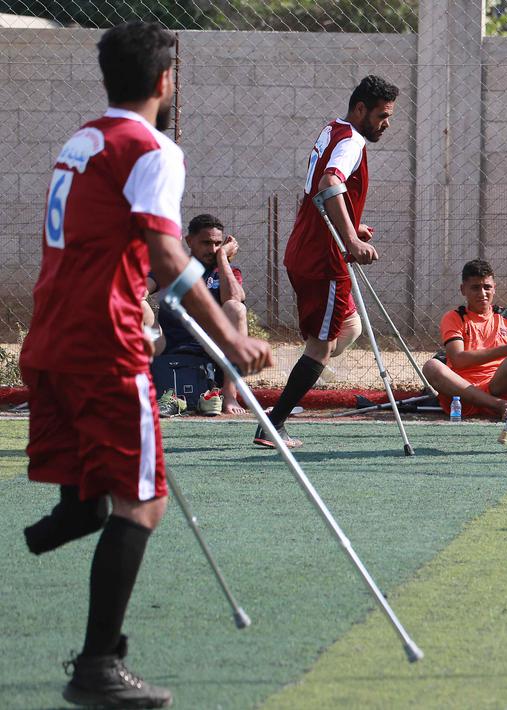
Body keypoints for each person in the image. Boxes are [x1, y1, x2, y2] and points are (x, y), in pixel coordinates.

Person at [19, 21, 270, 708]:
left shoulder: (81, 140)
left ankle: (67, 518)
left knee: (95, 496)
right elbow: (164, 251)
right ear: (166, 81)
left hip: (49, 341)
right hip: (104, 346)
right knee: (145, 501)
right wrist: (230, 337)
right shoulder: (152, 148)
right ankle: (98, 665)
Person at [257, 75, 398, 448]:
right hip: (323, 258)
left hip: (305, 246)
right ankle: (274, 425)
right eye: (382, 115)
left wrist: (352, 224)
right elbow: (329, 182)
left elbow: (324, 187)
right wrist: (349, 238)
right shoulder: (352, 141)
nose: (386, 124)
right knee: (321, 347)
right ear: (360, 109)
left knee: (348, 327)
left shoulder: (333, 130)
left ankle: (304, 372)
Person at [149, 214, 248, 415]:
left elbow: (236, 298)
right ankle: (135, 389)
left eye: (217, 244)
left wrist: (223, 259)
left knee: (235, 308)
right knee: (138, 306)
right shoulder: (170, 267)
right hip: (166, 344)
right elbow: (138, 291)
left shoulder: (227, 270)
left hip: (211, 348)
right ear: (189, 241)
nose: (212, 249)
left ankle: (229, 395)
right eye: (206, 243)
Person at [422, 259, 507, 418]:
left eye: (487, 287)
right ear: (463, 289)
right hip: (461, 392)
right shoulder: (454, 317)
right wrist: (506, 349)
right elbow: (458, 359)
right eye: (475, 288)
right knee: (431, 366)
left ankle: (496, 402)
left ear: (494, 288)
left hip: (497, 388)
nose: (482, 293)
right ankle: (496, 405)